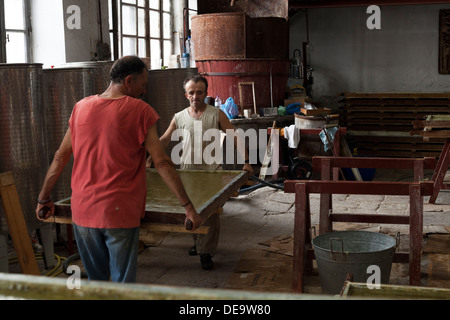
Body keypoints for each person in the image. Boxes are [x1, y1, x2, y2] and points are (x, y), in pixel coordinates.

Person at [35, 56, 202, 283]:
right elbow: (161, 162)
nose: (144, 91)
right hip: (119, 213)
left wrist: (43, 198)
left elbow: (60, 156)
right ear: (129, 81)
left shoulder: (80, 108)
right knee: (122, 285)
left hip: (83, 212)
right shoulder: (141, 111)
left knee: (99, 284)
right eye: (143, 85)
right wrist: (188, 206)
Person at [148, 74, 253, 270]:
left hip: (212, 173)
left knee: (211, 213)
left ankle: (206, 252)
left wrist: (246, 161)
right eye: (192, 92)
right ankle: (198, 243)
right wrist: (150, 157)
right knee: (191, 209)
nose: (196, 96)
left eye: (200, 92)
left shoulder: (216, 114)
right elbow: (163, 140)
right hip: (187, 174)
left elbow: (235, 136)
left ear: (206, 93)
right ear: (185, 94)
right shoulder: (179, 117)